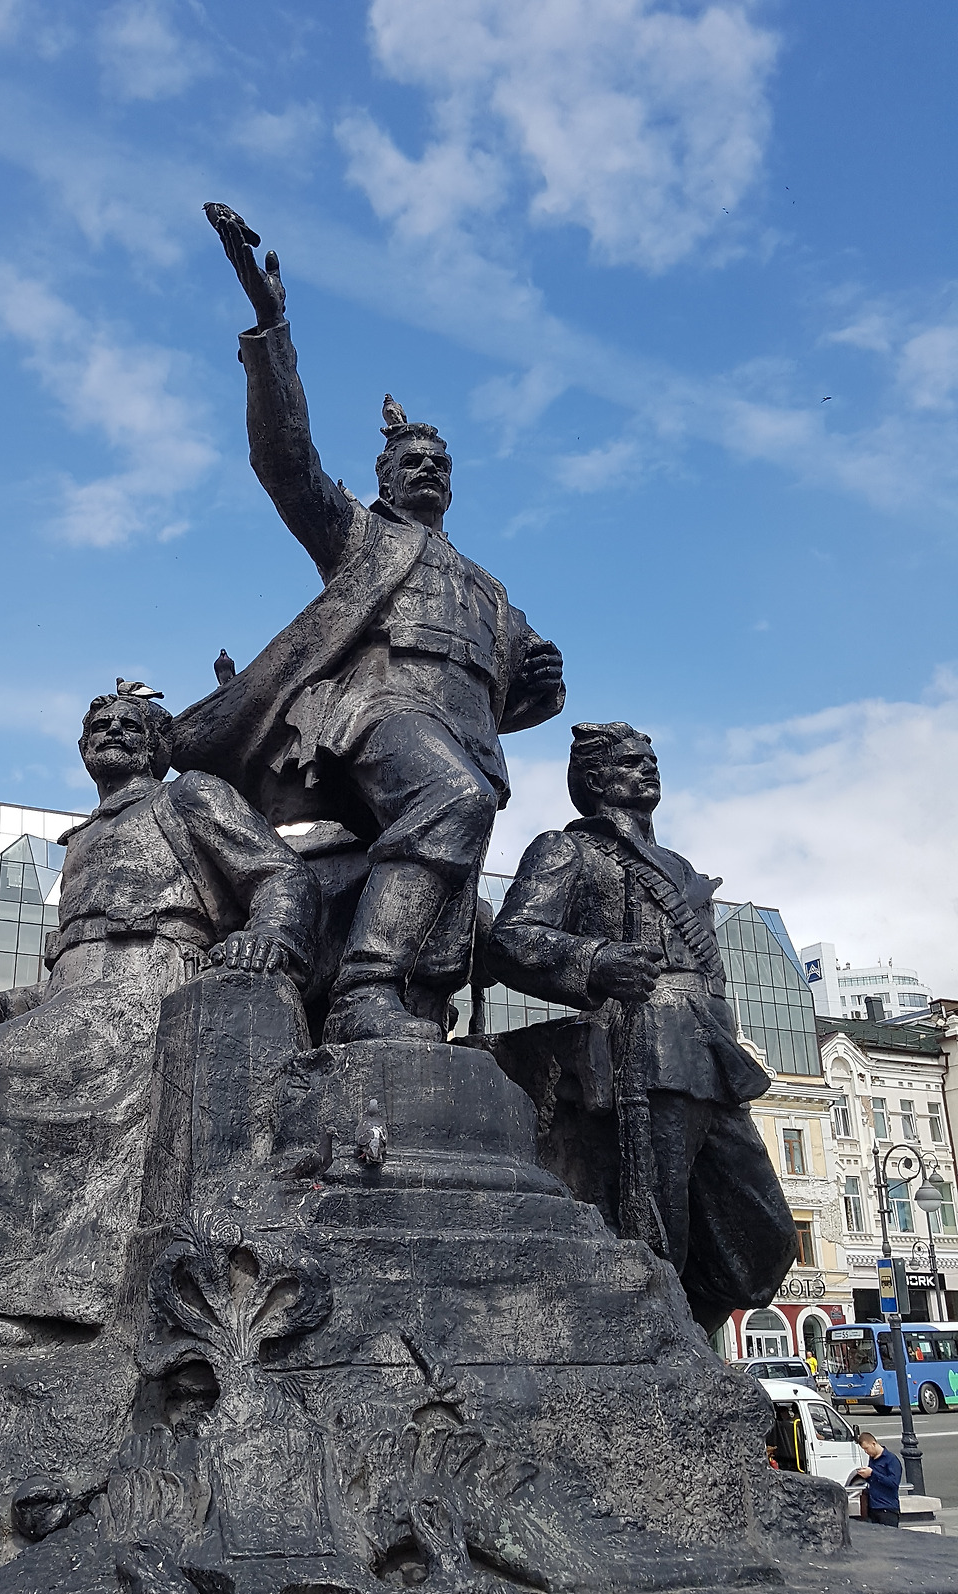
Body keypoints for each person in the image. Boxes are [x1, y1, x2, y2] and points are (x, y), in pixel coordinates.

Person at [175, 205, 565, 1045]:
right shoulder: (363, 537)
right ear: (384, 479)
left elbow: (519, 687)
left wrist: (542, 685)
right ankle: (365, 987)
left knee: (445, 879)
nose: (427, 468)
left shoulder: (492, 589)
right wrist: (270, 335)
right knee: (451, 801)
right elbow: (286, 463)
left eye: (440, 463)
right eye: (410, 460)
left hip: (466, 736)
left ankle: (392, 1007)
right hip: (376, 714)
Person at [0, 685, 318, 1340]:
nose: (113, 730)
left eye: (131, 724)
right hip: (84, 1004)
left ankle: (34, 1306)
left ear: (158, 747)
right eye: (100, 723)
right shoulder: (81, 840)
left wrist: (270, 931)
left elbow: (280, 874)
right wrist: (2, 1005)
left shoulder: (189, 797)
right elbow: (75, 970)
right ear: (81, 747)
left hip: (154, 996)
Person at [483, 722, 798, 1334]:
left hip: (710, 1053)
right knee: (655, 1231)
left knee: (765, 1241)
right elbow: (510, 940)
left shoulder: (678, 867)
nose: (647, 768)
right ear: (594, 778)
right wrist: (596, 960)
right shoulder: (567, 850)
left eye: (651, 759)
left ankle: (681, 1339)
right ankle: (658, 1346)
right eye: (630, 761)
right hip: (643, 1048)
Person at [855, 1432, 903, 1525]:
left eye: (866, 1448)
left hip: (887, 1508)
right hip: (873, 1508)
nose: (866, 1452)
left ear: (873, 1444)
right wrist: (865, 1476)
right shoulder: (872, 1459)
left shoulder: (891, 1459)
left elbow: (893, 1483)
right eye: (864, 1449)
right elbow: (874, 1481)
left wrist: (872, 1473)